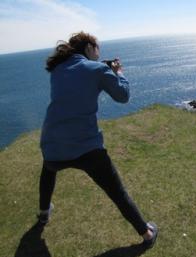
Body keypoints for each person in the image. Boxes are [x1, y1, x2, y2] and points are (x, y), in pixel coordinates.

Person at [38, 32, 158, 248]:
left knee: (48, 170)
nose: (99, 51)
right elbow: (123, 96)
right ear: (89, 47)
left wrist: (101, 69)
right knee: (116, 191)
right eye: (97, 47)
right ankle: (147, 233)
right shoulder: (98, 70)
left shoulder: (57, 69)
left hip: (52, 142)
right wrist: (118, 72)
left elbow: (77, 78)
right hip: (86, 146)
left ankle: (43, 213)